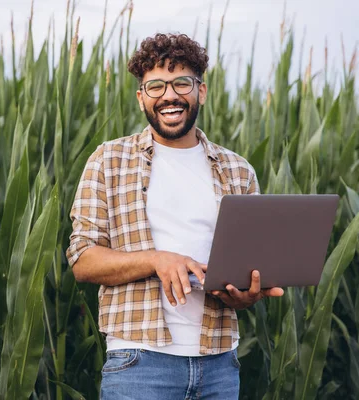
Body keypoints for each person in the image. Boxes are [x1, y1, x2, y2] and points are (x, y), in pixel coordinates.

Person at [66, 33, 284, 399]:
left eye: (181, 82)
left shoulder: (238, 171)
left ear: (201, 91)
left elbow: (248, 264)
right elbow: (82, 259)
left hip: (219, 364)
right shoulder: (108, 161)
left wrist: (244, 294)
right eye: (155, 86)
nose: (169, 95)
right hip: (138, 363)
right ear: (141, 98)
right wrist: (156, 260)